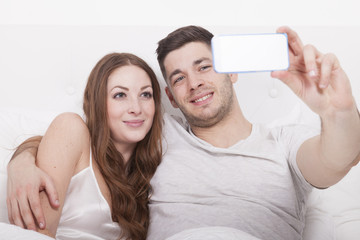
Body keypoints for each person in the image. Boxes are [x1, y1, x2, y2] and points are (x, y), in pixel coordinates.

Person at [7, 26, 360, 240]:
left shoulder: (284, 141)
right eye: (178, 78)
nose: (194, 84)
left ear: (232, 72)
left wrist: (339, 112)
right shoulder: (156, 136)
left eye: (204, 66)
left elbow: (337, 160)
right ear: (171, 97)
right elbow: (90, 139)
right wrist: (22, 160)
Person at [6, 52, 163, 240]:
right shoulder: (71, 128)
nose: (136, 108)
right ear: (98, 104)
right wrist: (20, 161)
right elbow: (37, 234)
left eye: (145, 94)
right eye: (120, 95)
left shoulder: (152, 171)